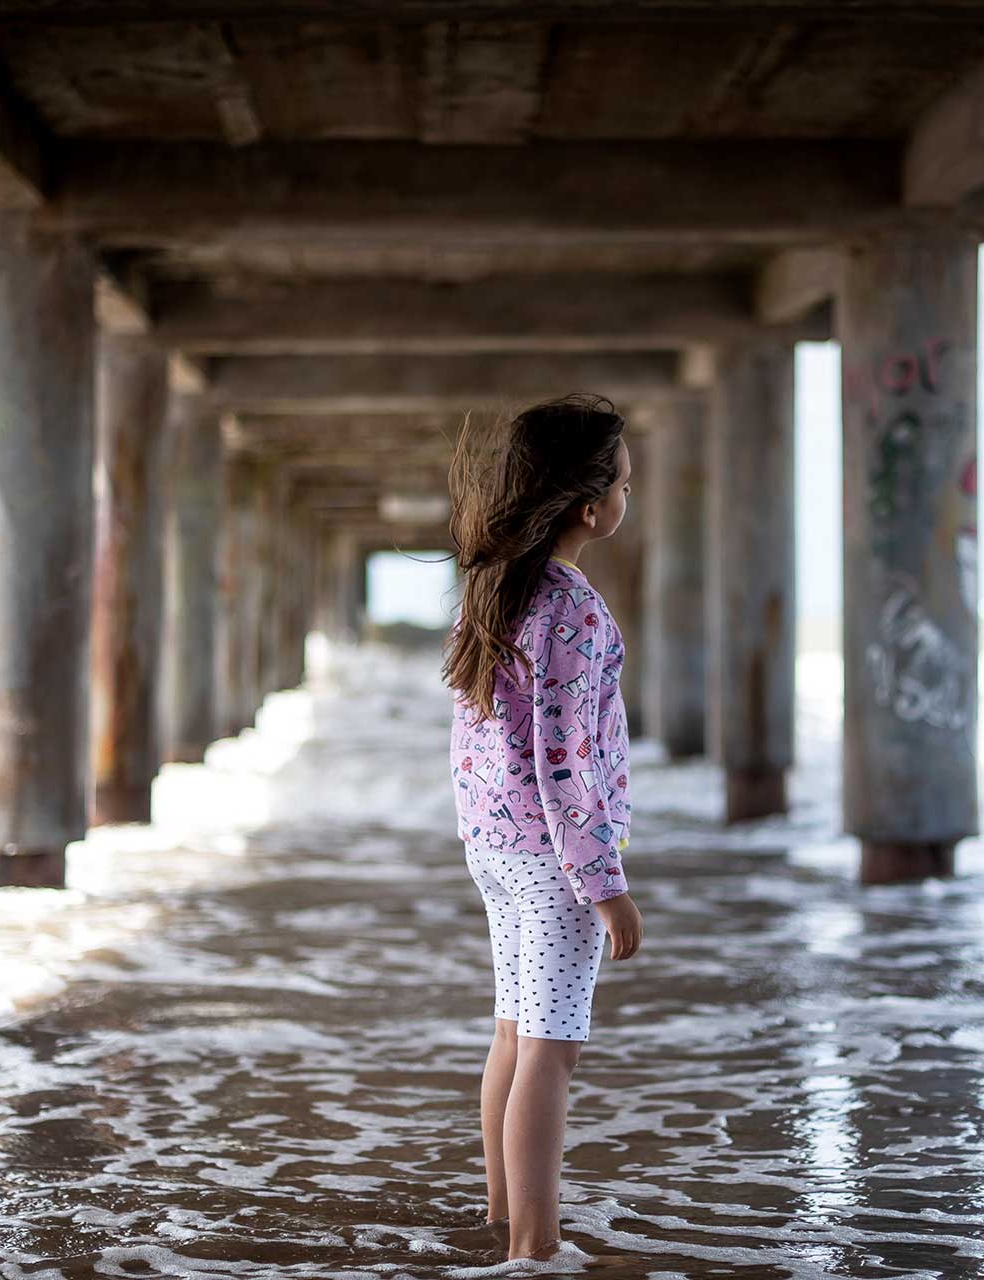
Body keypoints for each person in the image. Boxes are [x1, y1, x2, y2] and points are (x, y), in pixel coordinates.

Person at [440, 393, 644, 1262]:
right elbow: (564, 760)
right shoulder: (573, 611)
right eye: (625, 481)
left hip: (494, 844)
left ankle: (502, 1213)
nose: (629, 495)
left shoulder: (493, 590)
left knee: (514, 1035)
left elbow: (475, 733)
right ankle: (535, 1244)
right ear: (590, 507)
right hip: (552, 861)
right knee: (550, 1055)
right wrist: (606, 886)